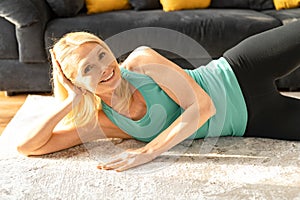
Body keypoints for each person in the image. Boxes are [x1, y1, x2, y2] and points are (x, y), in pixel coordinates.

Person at [16, 21, 300, 172]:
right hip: (254, 121)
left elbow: (202, 107)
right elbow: (28, 147)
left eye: (102, 54)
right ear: (76, 82)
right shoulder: (106, 121)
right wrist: (68, 102)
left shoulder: (140, 61)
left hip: (241, 69)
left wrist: (147, 152)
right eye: (88, 68)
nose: (104, 68)